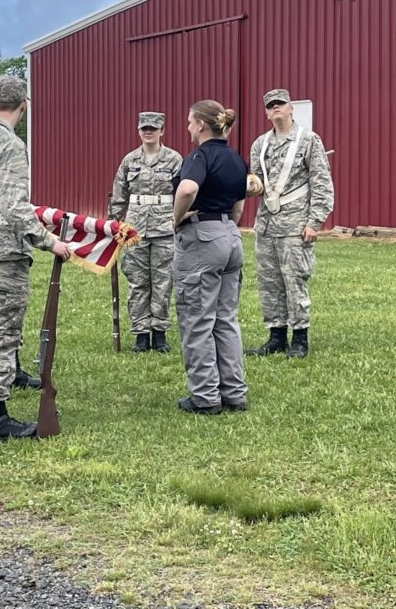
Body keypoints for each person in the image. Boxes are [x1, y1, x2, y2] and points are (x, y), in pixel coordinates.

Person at [0, 75, 71, 441]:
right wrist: (49, 241)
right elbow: (14, 205)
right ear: (24, 105)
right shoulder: (10, 144)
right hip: (2, 251)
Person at [171, 100, 249, 414]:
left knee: (197, 320)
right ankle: (234, 392)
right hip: (230, 234)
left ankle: (205, 396)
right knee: (226, 319)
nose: (188, 127)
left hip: (201, 237)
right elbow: (240, 204)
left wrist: (176, 218)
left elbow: (188, 189)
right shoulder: (236, 159)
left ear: (202, 125)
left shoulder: (199, 156)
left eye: (191, 121)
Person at [247, 88, 334, 358]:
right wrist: (250, 186)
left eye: (280, 104)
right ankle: (276, 336)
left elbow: (321, 184)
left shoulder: (308, 140)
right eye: (270, 105)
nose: (276, 108)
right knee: (269, 283)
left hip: (295, 225)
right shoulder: (260, 144)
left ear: (290, 108)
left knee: (294, 281)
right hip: (267, 225)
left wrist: (314, 222)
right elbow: (258, 182)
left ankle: (299, 338)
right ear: (266, 112)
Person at [108, 112, 183, 352]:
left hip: (164, 229)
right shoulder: (130, 160)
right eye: (144, 128)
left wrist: (179, 220)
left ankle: (159, 332)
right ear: (139, 131)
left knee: (163, 282)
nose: (148, 132)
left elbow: (182, 192)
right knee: (138, 281)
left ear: (162, 131)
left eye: (153, 128)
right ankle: (141, 333)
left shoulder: (174, 160)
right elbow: (119, 193)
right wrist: (114, 223)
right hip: (135, 230)